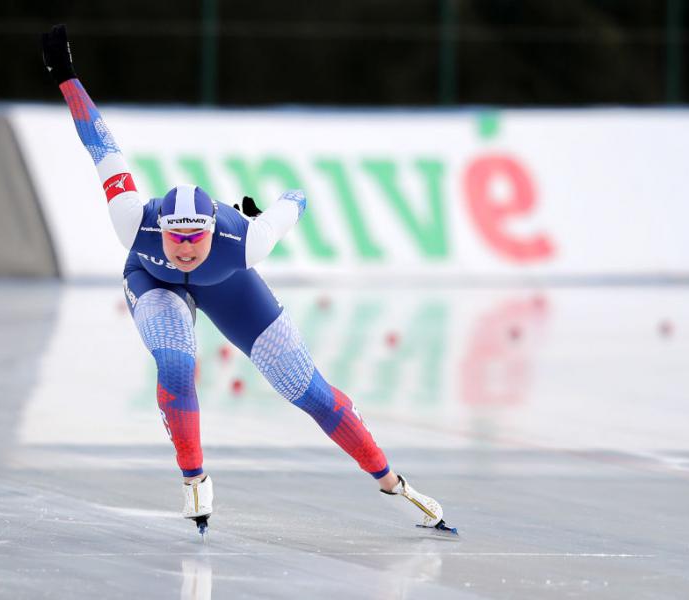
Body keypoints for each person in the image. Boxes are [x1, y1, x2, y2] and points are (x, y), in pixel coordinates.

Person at [41, 24, 454, 536]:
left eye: (196, 237)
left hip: (230, 283)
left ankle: (393, 482)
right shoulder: (132, 218)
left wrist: (291, 200)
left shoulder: (248, 240)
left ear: (214, 228)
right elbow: (100, 141)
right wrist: (65, 76)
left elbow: (295, 200)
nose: (187, 248)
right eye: (177, 238)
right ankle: (194, 479)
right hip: (152, 282)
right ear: (161, 227)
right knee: (175, 363)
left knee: (310, 393)